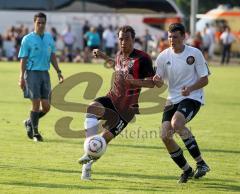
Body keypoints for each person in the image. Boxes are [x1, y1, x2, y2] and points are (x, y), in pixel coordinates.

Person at [78, 25, 155, 180]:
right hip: (111, 98)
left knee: (103, 140)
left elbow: (152, 83)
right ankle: (88, 147)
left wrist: (135, 82)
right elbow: (116, 64)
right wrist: (103, 56)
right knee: (91, 109)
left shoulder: (143, 58)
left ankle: (87, 166)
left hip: (126, 110)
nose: (123, 42)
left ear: (133, 40)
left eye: (126, 39)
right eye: (120, 39)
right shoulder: (120, 54)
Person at [153, 23, 210, 183]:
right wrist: (156, 80)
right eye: (169, 37)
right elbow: (159, 82)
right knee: (165, 136)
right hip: (172, 99)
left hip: (192, 97)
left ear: (184, 37)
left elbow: (205, 79)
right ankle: (187, 170)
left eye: (175, 37)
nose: (171, 40)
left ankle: (201, 163)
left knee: (177, 123)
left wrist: (190, 88)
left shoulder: (195, 53)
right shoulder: (163, 56)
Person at [18, 12, 64, 142]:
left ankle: (29, 122)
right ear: (34, 23)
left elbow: (52, 56)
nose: (41, 25)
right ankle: (36, 134)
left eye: (43, 23)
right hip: (32, 73)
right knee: (36, 104)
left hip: (45, 73)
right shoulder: (27, 39)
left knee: (46, 107)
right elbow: (23, 58)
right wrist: (21, 76)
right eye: (38, 22)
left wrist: (59, 72)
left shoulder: (49, 38)